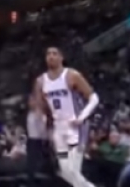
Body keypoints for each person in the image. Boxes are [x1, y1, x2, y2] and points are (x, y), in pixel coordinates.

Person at [33, 46, 99, 187]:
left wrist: (82, 117)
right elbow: (40, 108)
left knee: (74, 171)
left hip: (76, 127)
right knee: (64, 171)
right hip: (59, 130)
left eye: (54, 53)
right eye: (48, 54)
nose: (51, 56)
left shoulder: (72, 75)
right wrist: (44, 123)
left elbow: (94, 98)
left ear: (61, 57)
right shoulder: (40, 81)